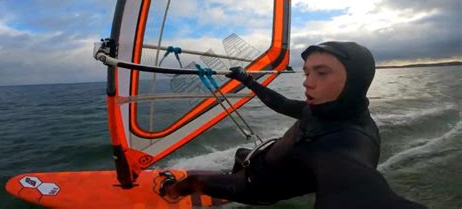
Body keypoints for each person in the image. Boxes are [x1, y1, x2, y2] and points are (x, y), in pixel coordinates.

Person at [160, 41, 426, 209]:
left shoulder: (349, 144)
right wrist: (247, 80)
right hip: (258, 160)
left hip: (258, 187)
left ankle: (169, 193)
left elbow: (360, 190)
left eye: (321, 73)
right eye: (307, 72)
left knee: (193, 181)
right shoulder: (322, 107)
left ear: (355, 81)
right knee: (241, 153)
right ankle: (230, 183)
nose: (307, 82)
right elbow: (281, 103)